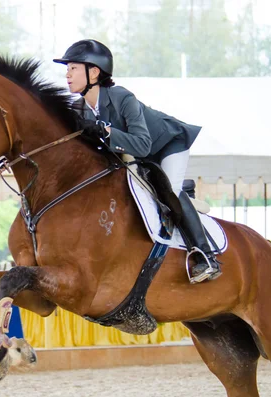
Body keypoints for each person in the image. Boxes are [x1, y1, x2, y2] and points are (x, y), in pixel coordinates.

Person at [53, 39, 221, 283]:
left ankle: (206, 256)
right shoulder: (80, 108)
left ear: (94, 72)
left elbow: (143, 144)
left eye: (73, 68)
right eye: (67, 69)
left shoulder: (122, 97)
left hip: (166, 145)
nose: (67, 74)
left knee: (168, 192)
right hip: (137, 155)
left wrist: (105, 132)